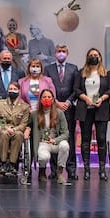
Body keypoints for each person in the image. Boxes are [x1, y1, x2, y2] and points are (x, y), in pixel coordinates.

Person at [74, 48, 110, 181]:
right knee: (85, 140)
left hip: (101, 109)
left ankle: (102, 170)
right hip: (85, 109)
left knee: (101, 139)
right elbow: (76, 89)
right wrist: (85, 98)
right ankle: (86, 170)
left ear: (100, 57)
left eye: (95, 55)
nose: (93, 57)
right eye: (91, 55)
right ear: (87, 57)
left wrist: (102, 98)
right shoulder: (81, 73)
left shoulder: (107, 73)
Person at [45, 44, 79, 180]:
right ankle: (54, 170)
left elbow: (76, 88)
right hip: (53, 108)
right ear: (55, 53)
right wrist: (56, 102)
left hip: (69, 109)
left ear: (67, 53)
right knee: (53, 138)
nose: (61, 53)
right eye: (59, 51)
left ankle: (71, 170)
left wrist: (68, 102)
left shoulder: (73, 68)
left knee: (69, 139)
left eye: (63, 51)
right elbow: (46, 89)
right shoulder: (48, 69)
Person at [0, 82, 30, 175]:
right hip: (2, 130)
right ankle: (3, 163)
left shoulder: (24, 106)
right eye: (11, 89)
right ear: (7, 91)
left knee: (19, 135)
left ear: (19, 91)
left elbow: (23, 124)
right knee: (4, 134)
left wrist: (14, 130)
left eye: (15, 89)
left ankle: (13, 164)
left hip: (16, 130)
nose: (12, 91)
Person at [32, 89, 69, 184]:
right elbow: (27, 125)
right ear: (40, 99)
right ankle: (42, 172)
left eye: (49, 97)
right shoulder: (34, 114)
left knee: (65, 145)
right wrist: (27, 129)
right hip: (43, 143)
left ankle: (59, 172)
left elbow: (66, 133)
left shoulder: (59, 113)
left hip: (55, 142)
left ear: (53, 100)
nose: (47, 99)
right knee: (44, 157)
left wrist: (55, 140)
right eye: (44, 97)